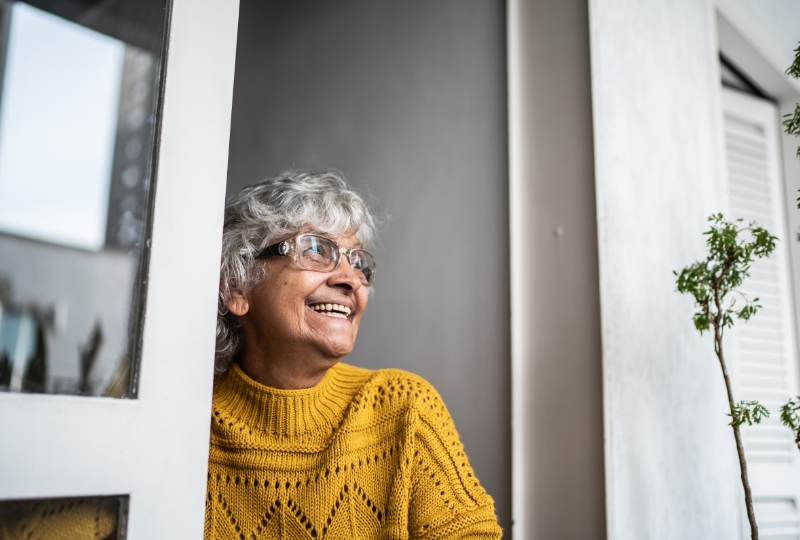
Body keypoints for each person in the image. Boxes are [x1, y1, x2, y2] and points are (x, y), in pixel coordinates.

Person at [206, 170, 501, 540]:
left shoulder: (404, 409)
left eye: (357, 261)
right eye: (315, 249)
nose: (350, 279)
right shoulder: (184, 422)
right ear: (237, 286)